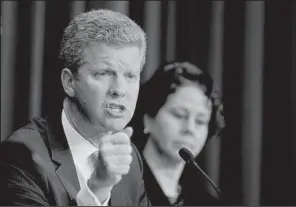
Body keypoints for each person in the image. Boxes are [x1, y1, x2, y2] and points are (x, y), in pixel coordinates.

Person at [0, 9, 149, 206]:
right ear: (69, 82)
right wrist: (97, 189)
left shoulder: (128, 158)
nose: (119, 90)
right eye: (104, 73)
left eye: (130, 76)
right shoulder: (22, 156)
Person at [129, 61, 226, 205]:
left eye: (200, 121)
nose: (190, 129)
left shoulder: (206, 201)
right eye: (179, 115)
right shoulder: (120, 187)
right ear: (147, 119)